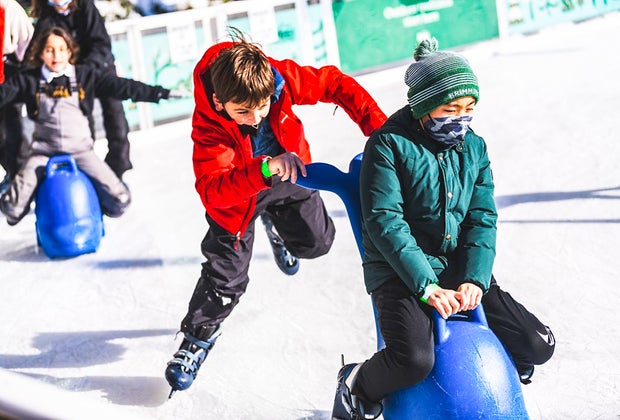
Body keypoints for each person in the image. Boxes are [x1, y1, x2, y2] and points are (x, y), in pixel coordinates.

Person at [331, 38, 556, 420]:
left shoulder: (474, 148)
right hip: (401, 274)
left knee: (536, 346)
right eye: (450, 109)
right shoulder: (387, 145)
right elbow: (385, 221)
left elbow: (481, 218)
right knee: (414, 360)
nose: (461, 119)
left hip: (457, 266)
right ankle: (356, 384)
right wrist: (426, 286)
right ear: (422, 105)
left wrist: (475, 279)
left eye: (469, 109)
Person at [164, 28, 387, 397]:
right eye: (242, 111)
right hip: (237, 200)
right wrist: (263, 169)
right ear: (220, 102)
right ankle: (195, 340)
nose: (255, 118)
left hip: (290, 172)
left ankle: (280, 228)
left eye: (263, 106)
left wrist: (378, 129)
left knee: (318, 243)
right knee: (226, 280)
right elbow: (212, 190)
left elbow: (334, 82)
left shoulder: (278, 78)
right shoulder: (208, 126)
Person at [0, 26, 177, 225]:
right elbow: (4, 93)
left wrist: (159, 93)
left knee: (120, 200)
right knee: (11, 206)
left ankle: (92, 210)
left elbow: (122, 87)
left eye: (61, 49)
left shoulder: (85, 76)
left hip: (81, 152)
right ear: (41, 53)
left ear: (69, 52)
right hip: (43, 153)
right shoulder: (30, 80)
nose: (56, 55)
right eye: (49, 50)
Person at [28, 0, 135, 180]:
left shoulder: (85, 7)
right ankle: (85, 170)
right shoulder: (46, 19)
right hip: (73, 78)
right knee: (82, 121)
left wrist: (88, 69)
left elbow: (100, 42)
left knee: (114, 116)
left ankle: (118, 167)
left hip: (100, 68)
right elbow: (36, 54)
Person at [0, 0, 33, 193]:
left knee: (16, 131)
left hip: (12, 76)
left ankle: (23, 182)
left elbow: (26, 41)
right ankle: (13, 175)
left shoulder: (8, 8)